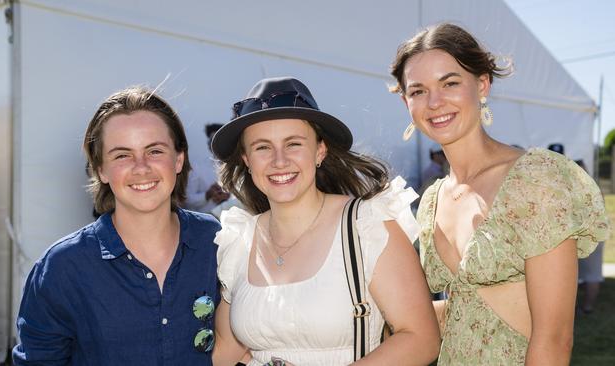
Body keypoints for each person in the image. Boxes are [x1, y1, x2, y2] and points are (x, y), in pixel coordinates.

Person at [390, 23, 609, 365]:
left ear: (482, 85)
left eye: (449, 83)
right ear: (406, 102)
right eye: (418, 91)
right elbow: (465, 309)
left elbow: (554, 338)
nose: (434, 102)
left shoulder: (535, 180)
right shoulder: (431, 201)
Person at [210, 76, 440, 366]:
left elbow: (421, 338)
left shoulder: (365, 225)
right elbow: (225, 354)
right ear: (246, 158)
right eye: (262, 147)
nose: (279, 161)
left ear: (320, 150)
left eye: (293, 144)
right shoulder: (239, 240)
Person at [12, 86, 221, 365]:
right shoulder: (62, 268)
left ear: (179, 159)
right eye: (122, 155)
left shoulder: (217, 243)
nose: (141, 167)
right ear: (101, 169)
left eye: (155, 151)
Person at [574, 159, 605, 314]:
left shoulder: (573, 188)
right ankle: (587, 307)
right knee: (592, 274)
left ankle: (585, 307)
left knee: (589, 275)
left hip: (584, 236)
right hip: (596, 235)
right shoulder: (594, 187)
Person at [185, 123, 230, 214]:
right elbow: (187, 200)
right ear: (208, 144)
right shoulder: (198, 167)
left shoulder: (238, 165)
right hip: (208, 220)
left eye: (219, 139)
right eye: (211, 140)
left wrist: (230, 196)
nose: (215, 143)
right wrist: (207, 195)